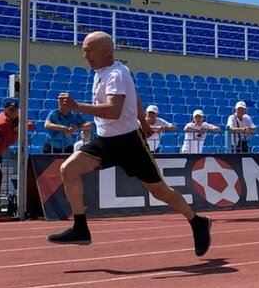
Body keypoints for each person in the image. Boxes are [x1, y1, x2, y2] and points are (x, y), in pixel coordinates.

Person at [47, 31, 212, 253]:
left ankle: (197, 221)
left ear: (105, 51)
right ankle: (80, 227)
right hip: (105, 141)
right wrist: (144, 122)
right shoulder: (100, 73)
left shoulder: (116, 74)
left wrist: (78, 107)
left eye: (88, 50)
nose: (84, 55)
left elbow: (114, 111)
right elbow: (134, 97)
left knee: (160, 191)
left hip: (129, 143)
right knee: (68, 169)